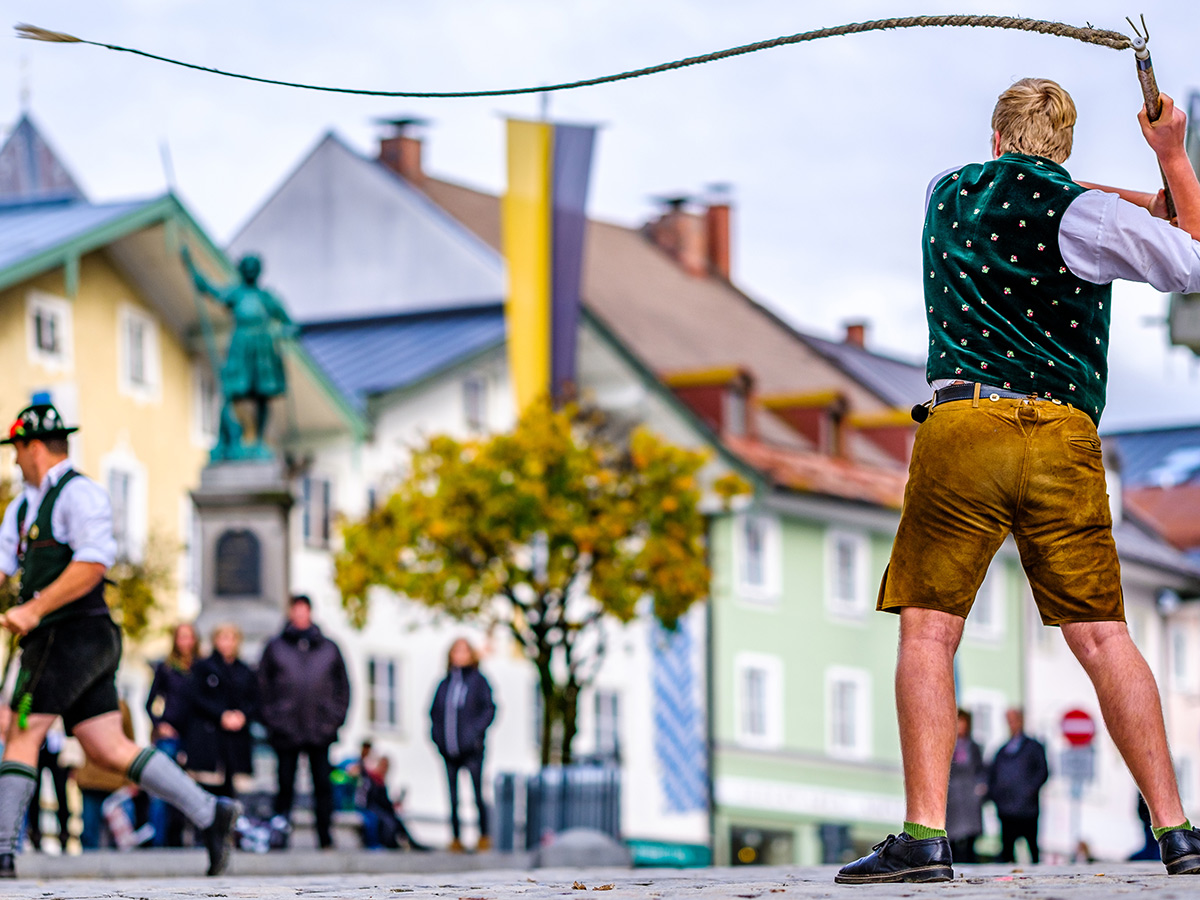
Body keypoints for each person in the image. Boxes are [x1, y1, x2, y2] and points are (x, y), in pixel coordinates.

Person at [836, 79, 1200, 884]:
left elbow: (1023, 177)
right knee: (1104, 636)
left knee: (930, 632)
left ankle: (925, 836)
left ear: (994, 136)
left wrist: (1069, 178)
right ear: (1066, 148)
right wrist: (1172, 158)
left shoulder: (945, 190)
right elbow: (1190, 260)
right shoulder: (1090, 216)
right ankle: (1177, 830)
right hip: (1062, 433)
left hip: (963, 426)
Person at [0, 403, 239, 878]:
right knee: (107, 746)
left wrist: (33, 608)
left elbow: (93, 565)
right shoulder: (22, 507)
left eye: (17, 450)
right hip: (67, 640)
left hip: (72, 635)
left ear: (34, 447)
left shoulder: (79, 494)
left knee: (19, 729)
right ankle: (211, 814)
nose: (14, 461)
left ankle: (2, 849)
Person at [258, 594, 350, 850]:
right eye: (295, 611)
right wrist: (274, 720)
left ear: (310, 613)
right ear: (290, 614)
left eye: (304, 611)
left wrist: (333, 720)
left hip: (319, 729)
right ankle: (279, 834)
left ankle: (325, 836)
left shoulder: (329, 648)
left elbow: (343, 688)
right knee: (284, 785)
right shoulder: (275, 647)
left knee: (322, 784)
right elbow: (262, 688)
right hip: (286, 729)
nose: (300, 615)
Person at [430, 637, 495, 852]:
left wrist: (475, 734)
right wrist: (437, 739)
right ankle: (455, 837)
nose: (460, 655)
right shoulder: (444, 684)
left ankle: (484, 835)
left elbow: (489, 709)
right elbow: (434, 714)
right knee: (452, 796)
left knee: (477, 792)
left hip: (472, 749)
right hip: (448, 749)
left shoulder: (478, 681)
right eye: (456, 651)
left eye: (464, 651)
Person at [183, 624, 258, 800]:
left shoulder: (245, 670)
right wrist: (221, 715)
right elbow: (196, 698)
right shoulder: (203, 668)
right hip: (209, 741)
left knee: (232, 796)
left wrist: (242, 716)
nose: (227, 643)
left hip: (235, 742)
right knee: (206, 794)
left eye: (231, 638)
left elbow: (254, 700)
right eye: (222, 638)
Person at [145, 622, 198, 846]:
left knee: (190, 789)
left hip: (194, 736)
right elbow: (149, 703)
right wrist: (160, 724)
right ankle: (160, 840)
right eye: (181, 637)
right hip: (171, 735)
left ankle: (185, 838)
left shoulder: (200, 668)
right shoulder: (166, 668)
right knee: (162, 788)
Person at [987, 708, 1048, 863]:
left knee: (1032, 849)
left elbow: (1043, 772)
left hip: (1027, 809)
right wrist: (997, 796)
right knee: (1007, 851)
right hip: (1007, 809)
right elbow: (992, 775)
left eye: (1014, 720)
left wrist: (1029, 791)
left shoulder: (1033, 747)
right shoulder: (1002, 750)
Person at [359, 755, 430, 851]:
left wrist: (394, 804)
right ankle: (393, 843)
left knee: (396, 820)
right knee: (389, 821)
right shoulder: (373, 779)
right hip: (372, 808)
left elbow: (384, 802)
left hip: (379, 808)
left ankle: (410, 842)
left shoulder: (380, 781)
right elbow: (374, 800)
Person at [946, 709, 987, 864]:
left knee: (970, 836)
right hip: (954, 795)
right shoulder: (948, 745)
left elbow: (980, 769)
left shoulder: (973, 747)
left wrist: (980, 788)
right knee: (953, 835)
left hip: (969, 795)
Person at [26, 723, 70, 852]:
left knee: (61, 791)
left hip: (57, 748)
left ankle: (64, 832)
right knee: (34, 792)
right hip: (38, 746)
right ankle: (35, 833)